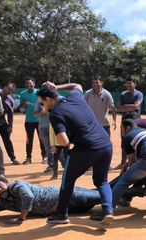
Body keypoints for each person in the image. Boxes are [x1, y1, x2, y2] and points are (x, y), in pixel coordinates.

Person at [37, 82, 113, 226]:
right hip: (105, 144)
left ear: (48, 100)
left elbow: (64, 142)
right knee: (102, 181)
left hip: (86, 149)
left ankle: (61, 214)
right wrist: (56, 87)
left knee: (67, 181)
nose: (42, 106)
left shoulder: (55, 114)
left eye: (42, 103)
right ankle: (108, 211)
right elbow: (77, 85)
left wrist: (63, 138)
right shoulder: (74, 97)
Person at [0, 175, 146, 224]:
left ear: (6, 184)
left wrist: (21, 218)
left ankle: (140, 189)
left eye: (0, 184)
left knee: (103, 194)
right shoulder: (4, 202)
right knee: (101, 196)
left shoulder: (18, 186)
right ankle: (133, 184)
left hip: (66, 196)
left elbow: (27, 198)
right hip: (67, 209)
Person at [114, 76, 143, 169]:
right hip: (125, 119)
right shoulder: (123, 94)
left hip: (136, 119)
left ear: (135, 84)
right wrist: (131, 106)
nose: (128, 85)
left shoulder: (139, 94)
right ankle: (123, 163)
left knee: (135, 140)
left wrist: (125, 106)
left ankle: (136, 162)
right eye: (127, 84)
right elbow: (118, 107)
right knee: (124, 140)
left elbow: (136, 106)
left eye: (130, 83)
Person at [20, 77, 46, 165]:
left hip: (40, 120)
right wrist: (24, 104)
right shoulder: (23, 94)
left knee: (42, 139)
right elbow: (21, 108)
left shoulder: (39, 92)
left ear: (34, 84)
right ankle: (28, 158)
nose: (29, 85)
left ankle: (44, 157)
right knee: (29, 140)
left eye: (30, 83)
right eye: (27, 83)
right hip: (29, 121)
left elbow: (45, 104)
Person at [0, 83, 20, 165]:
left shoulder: (10, 100)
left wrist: (10, 125)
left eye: (11, 91)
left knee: (7, 140)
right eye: (8, 89)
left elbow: (10, 114)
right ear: (4, 87)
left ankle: (13, 158)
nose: (9, 91)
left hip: (2, 122)